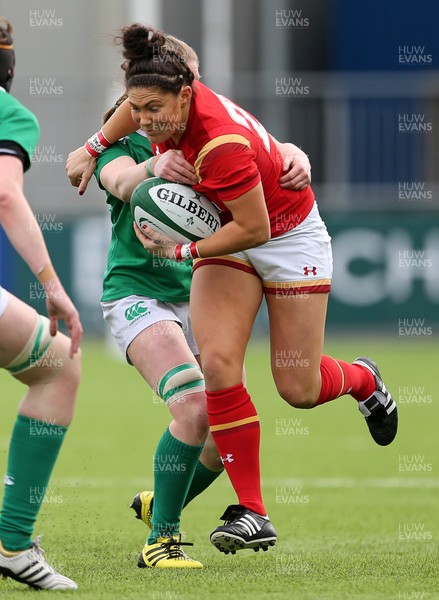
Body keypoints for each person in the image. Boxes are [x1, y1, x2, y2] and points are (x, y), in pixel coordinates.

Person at [118, 23, 398, 556]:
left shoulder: (218, 142)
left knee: (299, 388)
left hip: (285, 234)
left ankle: (364, 380)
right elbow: (124, 118)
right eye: (137, 108)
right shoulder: (155, 98)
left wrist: (181, 252)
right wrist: (94, 145)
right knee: (219, 365)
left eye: (154, 108)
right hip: (230, 235)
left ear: (187, 91)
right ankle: (253, 511)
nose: (146, 121)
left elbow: (257, 230)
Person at [73, 33, 312, 569]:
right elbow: (116, 179)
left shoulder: (206, 131)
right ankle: (162, 540)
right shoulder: (135, 131)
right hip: (139, 295)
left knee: (222, 424)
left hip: (204, 287)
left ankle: (162, 499)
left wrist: (294, 155)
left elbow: (255, 155)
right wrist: (149, 171)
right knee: (194, 405)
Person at [0, 19, 82, 589]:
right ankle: (12, 543)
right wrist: (52, 285)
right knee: (59, 365)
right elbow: (4, 193)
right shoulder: (9, 111)